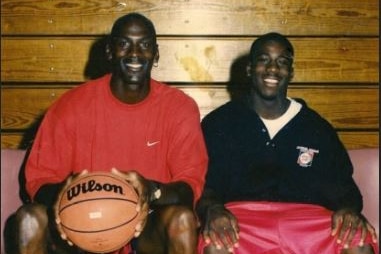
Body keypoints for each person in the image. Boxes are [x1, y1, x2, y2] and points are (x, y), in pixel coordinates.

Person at [12, 12, 208, 254]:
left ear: (156, 54)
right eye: (124, 44)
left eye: (144, 45)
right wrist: (63, 193)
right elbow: (37, 180)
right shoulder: (71, 105)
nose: (134, 53)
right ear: (109, 51)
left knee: (182, 220)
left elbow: (189, 186)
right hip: (80, 221)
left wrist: (152, 188)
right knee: (29, 219)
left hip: (146, 228)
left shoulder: (180, 107)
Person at [196, 32, 379, 254]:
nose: (272, 69)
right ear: (249, 69)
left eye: (282, 62)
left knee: (357, 242)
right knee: (217, 243)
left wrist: (349, 209)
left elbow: (344, 187)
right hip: (243, 222)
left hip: (308, 223)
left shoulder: (316, 127)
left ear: (290, 72)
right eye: (264, 60)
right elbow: (203, 185)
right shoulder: (219, 123)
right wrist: (213, 209)